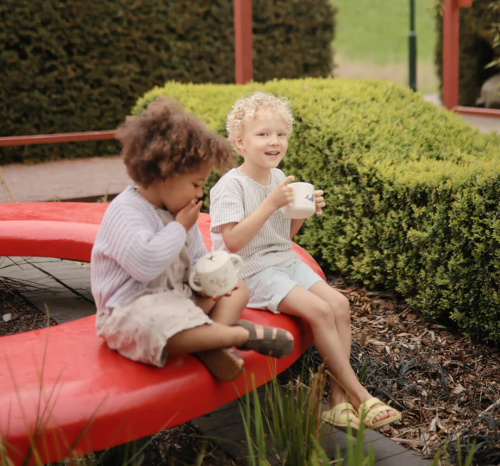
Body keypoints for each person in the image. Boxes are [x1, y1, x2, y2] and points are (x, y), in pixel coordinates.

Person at [209, 92, 401, 429]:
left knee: (339, 304)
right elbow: (234, 241)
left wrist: (301, 212)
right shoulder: (230, 186)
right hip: (250, 271)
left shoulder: (277, 177)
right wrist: (270, 204)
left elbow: (283, 237)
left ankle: (337, 403)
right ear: (239, 142)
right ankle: (362, 397)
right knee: (320, 311)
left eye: (281, 134)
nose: (275, 141)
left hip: (281, 260)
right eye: (263, 134)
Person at [91, 97, 294, 382]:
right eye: (196, 184)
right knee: (152, 320)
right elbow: (145, 265)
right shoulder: (127, 212)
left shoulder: (179, 210)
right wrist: (178, 227)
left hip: (178, 299)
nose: (199, 193)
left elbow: (198, 257)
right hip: (131, 311)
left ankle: (208, 341)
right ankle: (236, 335)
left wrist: (208, 281)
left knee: (236, 286)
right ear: (164, 176)